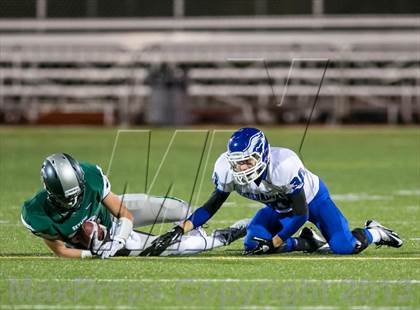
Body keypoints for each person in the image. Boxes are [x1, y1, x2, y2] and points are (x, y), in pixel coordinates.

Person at [145, 128, 403, 256]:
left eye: (246, 161)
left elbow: (301, 213)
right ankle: (307, 242)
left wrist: (276, 242)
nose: (240, 168)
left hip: (311, 202)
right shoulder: (227, 169)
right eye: (236, 162)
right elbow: (212, 206)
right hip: (279, 207)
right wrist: (179, 230)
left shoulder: (283, 165)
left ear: (262, 155)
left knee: (344, 247)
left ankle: (375, 232)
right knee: (252, 244)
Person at [21, 153, 246, 259]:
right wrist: (98, 253)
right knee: (177, 248)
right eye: (65, 198)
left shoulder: (90, 177)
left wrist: (120, 235)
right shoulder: (36, 213)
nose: (73, 201)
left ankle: (197, 231)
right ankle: (226, 236)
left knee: (180, 209)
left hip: (114, 219)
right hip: (101, 241)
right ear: (50, 191)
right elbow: (61, 250)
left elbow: (123, 212)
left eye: (76, 193)